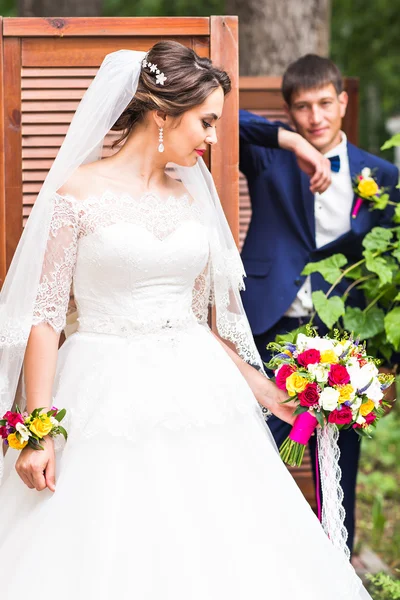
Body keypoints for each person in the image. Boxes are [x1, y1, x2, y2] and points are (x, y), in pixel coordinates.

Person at [0, 42, 372, 599]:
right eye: (206, 121)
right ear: (161, 114)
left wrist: (267, 392)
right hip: (102, 389)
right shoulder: (77, 193)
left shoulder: (192, 200)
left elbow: (199, 322)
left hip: (198, 389)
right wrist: (39, 431)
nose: (214, 137)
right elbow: (47, 318)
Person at [239, 54, 400, 556]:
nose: (316, 116)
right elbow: (226, 117)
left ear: (343, 101)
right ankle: (254, 549)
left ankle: (337, 554)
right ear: (290, 112)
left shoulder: (383, 173)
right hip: (270, 323)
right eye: (303, 108)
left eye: (325, 103)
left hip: (343, 332)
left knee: (340, 449)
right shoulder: (269, 156)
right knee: (257, 440)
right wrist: (291, 143)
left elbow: (386, 258)